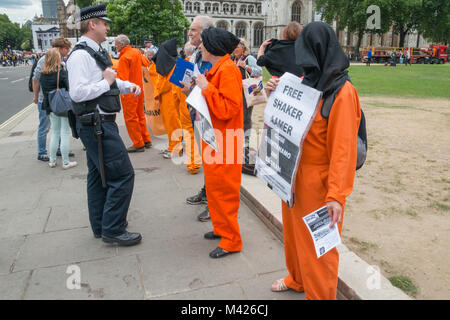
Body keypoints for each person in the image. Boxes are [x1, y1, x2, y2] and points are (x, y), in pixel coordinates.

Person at [265, 22, 362, 300]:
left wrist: (336, 195)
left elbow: (343, 151)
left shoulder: (342, 93)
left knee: (319, 252)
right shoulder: (306, 82)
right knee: (295, 239)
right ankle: (297, 279)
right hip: (293, 177)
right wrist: (275, 94)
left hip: (320, 187)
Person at [66, 4, 143, 246]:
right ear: (92, 24)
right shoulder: (80, 55)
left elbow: (107, 80)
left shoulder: (95, 52)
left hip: (98, 123)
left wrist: (124, 86)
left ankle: (102, 224)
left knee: (98, 177)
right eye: (104, 23)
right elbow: (78, 93)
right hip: (97, 125)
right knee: (122, 175)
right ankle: (113, 228)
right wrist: (107, 81)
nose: (108, 27)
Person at [193, 27, 243, 258]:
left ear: (212, 47)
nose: (199, 47)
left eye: (203, 43)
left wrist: (206, 87)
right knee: (214, 189)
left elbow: (228, 108)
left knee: (224, 191)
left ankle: (232, 240)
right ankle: (221, 229)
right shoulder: (220, 68)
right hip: (216, 139)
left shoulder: (229, 70)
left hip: (226, 141)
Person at [182, 15, 214, 221]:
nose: (189, 33)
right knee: (205, 158)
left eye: (194, 30)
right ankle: (207, 191)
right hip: (196, 111)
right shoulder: (195, 55)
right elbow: (187, 81)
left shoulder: (215, 57)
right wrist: (187, 88)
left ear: (205, 32)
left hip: (210, 116)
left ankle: (214, 202)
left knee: (214, 159)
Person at [33, 38, 74, 162]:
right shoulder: (43, 60)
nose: (68, 51)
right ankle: (41, 152)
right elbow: (36, 79)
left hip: (55, 99)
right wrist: (35, 96)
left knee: (58, 127)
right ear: (60, 48)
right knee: (45, 127)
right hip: (45, 99)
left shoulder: (60, 61)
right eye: (66, 48)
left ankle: (59, 150)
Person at [39, 48, 77, 170]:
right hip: (62, 106)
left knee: (54, 132)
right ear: (57, 58)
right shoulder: (61, 72)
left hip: (50, 106)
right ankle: (65, 162)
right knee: (64, 132)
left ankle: (52, 160)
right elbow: (69, 87)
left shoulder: (43, 74)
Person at [115, 34, 152, 152]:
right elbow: (146, 62)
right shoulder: (136, 52)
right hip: (139, 89)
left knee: (131, 118)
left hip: (129, 92)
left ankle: (138, 143)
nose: (115, 46)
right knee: (140, 115)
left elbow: (121, 79)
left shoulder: (124, 58)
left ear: (121, 44)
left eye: (116, 44)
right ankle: (146, 139)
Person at [153, 38, 183, 159]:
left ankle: (176, 149)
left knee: (173, 125)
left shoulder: (175, 66)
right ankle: (173, 147)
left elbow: (165, 85)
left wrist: (157, 92)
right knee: (171, 125)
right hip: (167, 100)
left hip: (171, 101)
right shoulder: (175, 64)